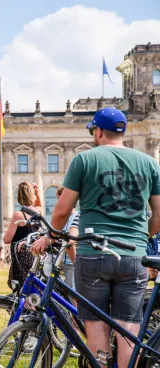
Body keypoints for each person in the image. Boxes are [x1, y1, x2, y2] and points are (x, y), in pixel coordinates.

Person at [32, 107, 160, 368]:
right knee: (127, 329)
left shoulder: (85, 160)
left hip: (92, 254)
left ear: (98, 131)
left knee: (97, 327)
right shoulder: (149, 163)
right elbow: (159, 214)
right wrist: (141, 237)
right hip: (135, 256)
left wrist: (53, 235)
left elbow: (62, 212)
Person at [3, 181, 42, 289]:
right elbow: (39, 205)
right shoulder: (37, 212)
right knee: (33, 286)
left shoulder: (18, 215)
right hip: (35, 254)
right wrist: (37, 193)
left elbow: (7, 239)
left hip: (22, 256)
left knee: (21, 288)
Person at [41, 187, 79, 288]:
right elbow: (50, 235)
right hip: (55, 258)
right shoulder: (58, 218)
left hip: (71, 261)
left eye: (60, 199)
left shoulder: (78, 217)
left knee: (71, 293)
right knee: (45, 281)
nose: (58, 203)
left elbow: (71, 241)